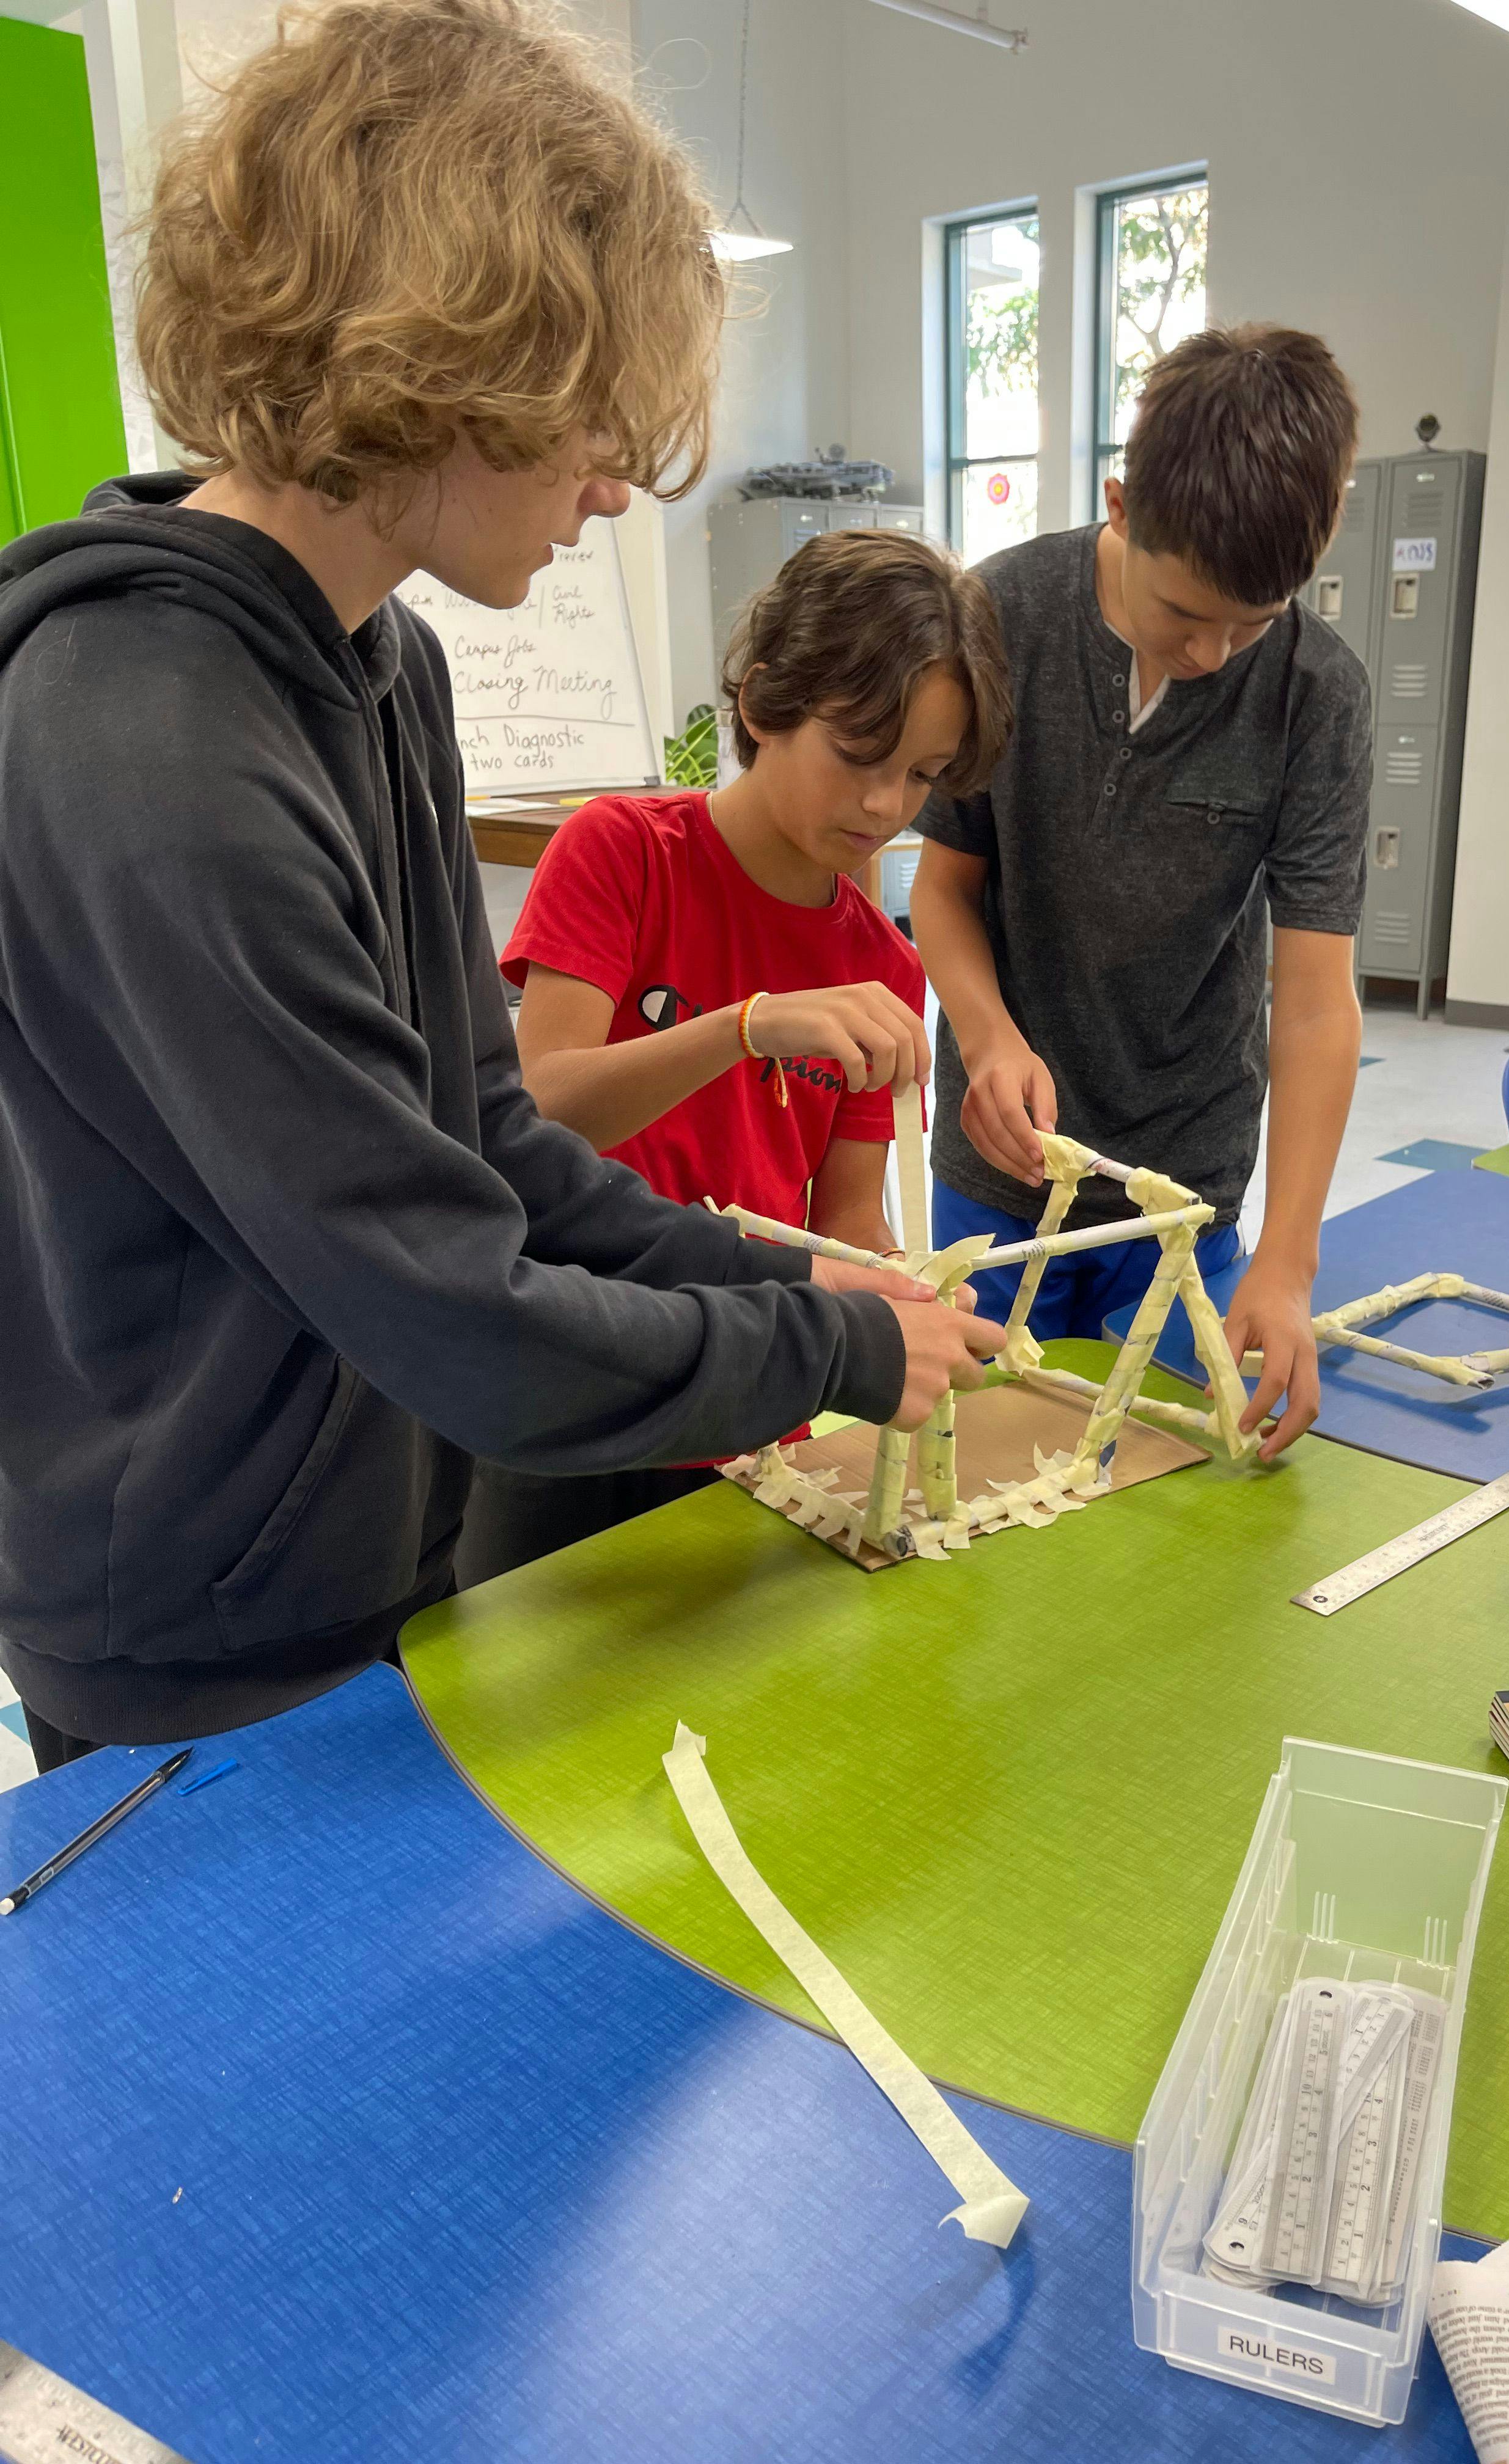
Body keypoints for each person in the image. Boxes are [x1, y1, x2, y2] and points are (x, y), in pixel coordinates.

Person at [0, 0, 999, 1770]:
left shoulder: (380, 662)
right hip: (186, 1624)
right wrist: (815, 1355)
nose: (615, 488)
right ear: (432, 365)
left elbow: (489, 1133)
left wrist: (803, 1289)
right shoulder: (146, 748)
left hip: (379, 1544)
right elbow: (447, 1301)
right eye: (582, 424)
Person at [455, 529, 1010, 1583]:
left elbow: (847, 1216)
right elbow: (535, 1118)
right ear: (761, 704)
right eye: (859, 757)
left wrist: (899, 1293)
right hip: (571, 1372)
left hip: (749, 1393)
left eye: (922, 777)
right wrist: (745, 1026)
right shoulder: (620, 852)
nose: (887, 807)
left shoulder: (880, 966)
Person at [911, 324, 1369, 1462]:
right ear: (1120, 503)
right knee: (985, 1481)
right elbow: (945, 887)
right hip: (1002, 1160)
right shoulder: (1001, 620)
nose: (1216, 654)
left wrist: (1289, 1261)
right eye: (1186, 615)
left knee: (1159, 1502)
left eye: (1251, 625)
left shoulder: (1318, 696)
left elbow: (1314, 1001)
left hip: (1185, 1179)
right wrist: (988, 1032)